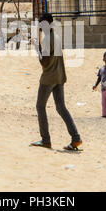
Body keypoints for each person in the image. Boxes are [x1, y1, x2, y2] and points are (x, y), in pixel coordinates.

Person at [30, 13, 83, 151]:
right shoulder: (56, 37)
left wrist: (37, 48)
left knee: (40, 107)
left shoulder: (47, 39)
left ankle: (46, 140)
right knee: (61, 107)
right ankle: (75, 138)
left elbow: (44, 62)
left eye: (42, 24)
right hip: (59, 76)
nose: (40, 26)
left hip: (48, 78)